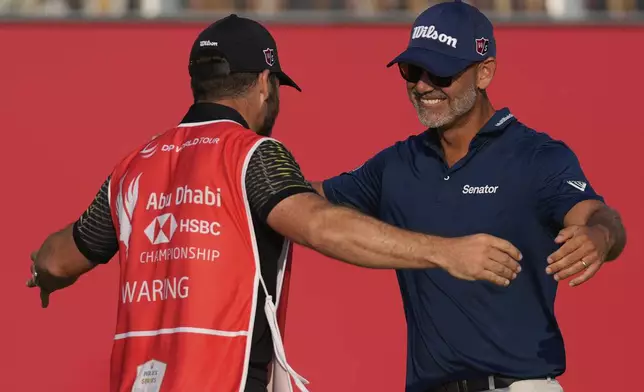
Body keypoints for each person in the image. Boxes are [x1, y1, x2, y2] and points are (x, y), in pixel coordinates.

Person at [26, 14, 525, 392]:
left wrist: (45, 275)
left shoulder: (133, 167)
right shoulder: (252, 155)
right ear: (265, 84)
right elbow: (322, 226)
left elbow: (55, 258)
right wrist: (445, 252)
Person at [314, 2, 627, 392]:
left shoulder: (536, 157)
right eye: (412, 70)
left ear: (484, 73)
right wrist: (250, 170)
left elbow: (601, 217)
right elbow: (309, 204)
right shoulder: (397, 164)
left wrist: (599, 237)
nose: (423, 85)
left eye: (441, 72)